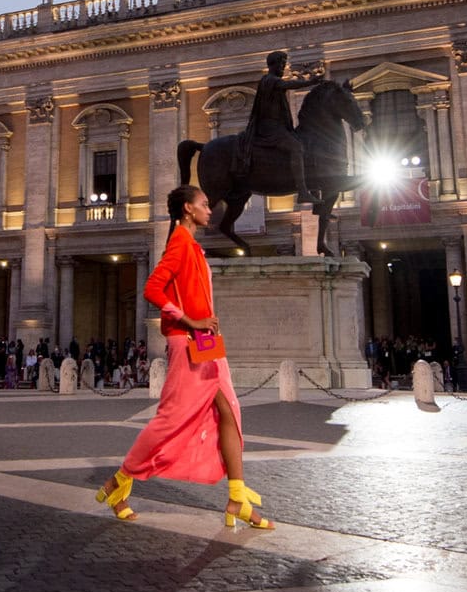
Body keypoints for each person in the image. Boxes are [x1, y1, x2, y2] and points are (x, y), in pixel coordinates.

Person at [95, 185, 273, 532]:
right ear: (189, 209)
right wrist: (188, 319)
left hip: (207, 342)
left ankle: (237, 497)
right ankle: (118, 483)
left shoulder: (192, 245)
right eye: (205, 205)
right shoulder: (178, 241)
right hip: (188, 339)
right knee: (172, 417)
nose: (211, 209)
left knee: (229, 412)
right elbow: (152, 288)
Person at [245, 51, 312, 201]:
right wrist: (310, 82)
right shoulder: (270, 80)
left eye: (284, 64)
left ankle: (312, 190)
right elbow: (288, 84)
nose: (283, 67)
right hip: (270, 128)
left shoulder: (271, 80)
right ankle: (302, 191)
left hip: (278, 126)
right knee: (296, 147)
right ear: (273, 65)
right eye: (281, 64)